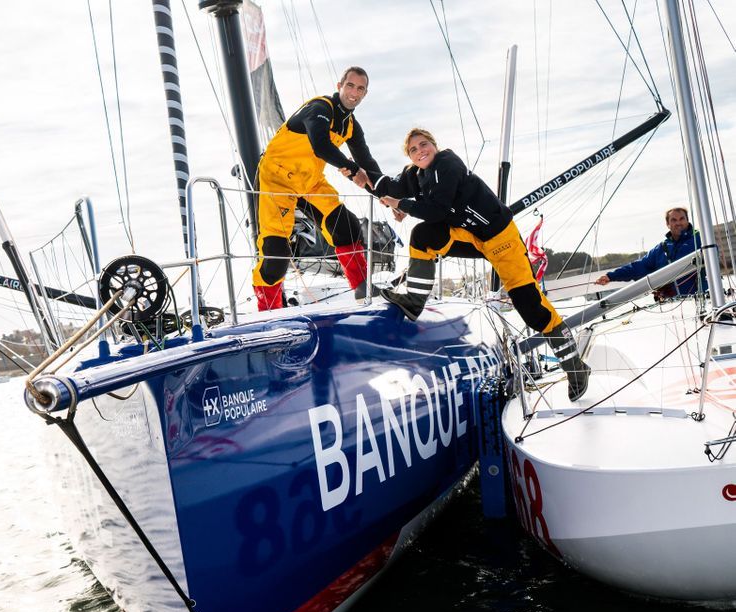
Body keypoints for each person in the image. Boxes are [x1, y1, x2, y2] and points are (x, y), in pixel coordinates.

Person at [363, 128, 590, 401]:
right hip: (469, 236)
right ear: (409, 157)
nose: (420, 151)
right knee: (423, 236)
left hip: (500, 238)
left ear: (435, 145)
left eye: (424, 145)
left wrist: (402, 204)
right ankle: (413, 300)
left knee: (532, 309)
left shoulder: (448, 164)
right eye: (413, 150)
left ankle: (575, 367)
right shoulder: (416, 174)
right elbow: (389, 186)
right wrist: (359, 174)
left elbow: (438, 210)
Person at [253, 66, 382, 311]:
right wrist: (351, 169)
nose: (354, 92)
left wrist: (388, 196)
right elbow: (321, 146)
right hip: (276, 178)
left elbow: (368, 163)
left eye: (361, 88)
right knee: (276, 254)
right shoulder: (320, 108)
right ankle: (267, 312)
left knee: (346, 224)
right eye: (350, 85)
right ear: (339, 86)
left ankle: (364, 291)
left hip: (309, 181)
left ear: (365, 94)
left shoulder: (351, 125)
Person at [594, 207, 704, 297]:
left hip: (702, 300)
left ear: (687, 220)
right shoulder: (661, 248)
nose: (678, 223)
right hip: (673, 305)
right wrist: (611, 276)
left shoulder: (700, 240)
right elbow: (638, 267)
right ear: (668, 224)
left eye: (681, 219)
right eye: (673, 220)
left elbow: (714, 257)